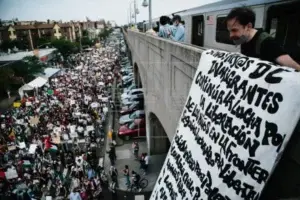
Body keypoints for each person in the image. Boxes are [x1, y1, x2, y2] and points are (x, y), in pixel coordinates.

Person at [226, 7, 300, 70]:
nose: (230, 35)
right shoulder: (244, 39)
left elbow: (295, 68)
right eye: (229, 31)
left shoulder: (267, 43)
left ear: (248, 26)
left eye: (234, 30)